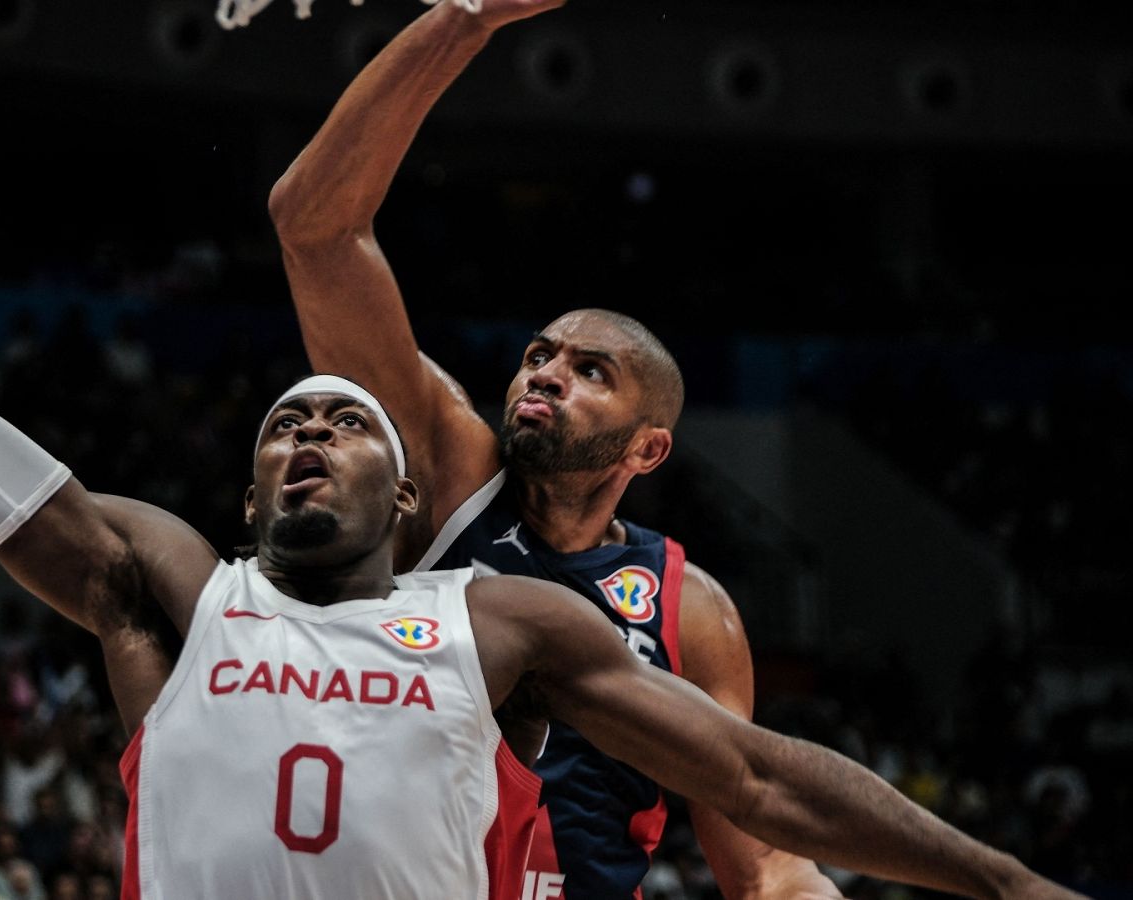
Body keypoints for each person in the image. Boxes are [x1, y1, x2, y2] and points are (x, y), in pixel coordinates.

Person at [0, 154, 1085, 900]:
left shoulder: (501, 621)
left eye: (345, 421)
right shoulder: (171, 592)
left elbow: (756, 780)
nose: (307, 434)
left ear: (409, 496)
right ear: (243, 490)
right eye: (285, 420)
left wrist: (1003, 878)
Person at [265, 0, 842, 896]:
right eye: (538, 356)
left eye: (588, 371)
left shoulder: (692, 610)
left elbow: (763, 863)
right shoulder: (447, 469)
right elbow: (315, 226)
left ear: (646, 452)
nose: (544, 375)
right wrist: (463, 18)